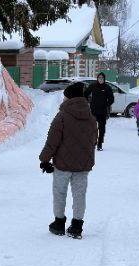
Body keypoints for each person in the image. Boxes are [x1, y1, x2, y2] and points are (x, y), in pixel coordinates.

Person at [39, 82, 97, 239]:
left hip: (62, 165)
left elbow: (52, 141)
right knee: (80, 195)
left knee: (59, 193)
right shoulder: (91, 118)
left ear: (69, 97)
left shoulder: (62, 116)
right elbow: (94, 141)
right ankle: (77, 226)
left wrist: (44, 159)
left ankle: (59, 224)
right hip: (83, 165)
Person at [83, 73, 115, 151]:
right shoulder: (93, 86)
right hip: (93, 111)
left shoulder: (107, 87)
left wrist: (106, 105)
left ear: (104, 79)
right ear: (97, 78)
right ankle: (92, 142)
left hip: (102, 112)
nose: (100, 79)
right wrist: (87, 102)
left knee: (102, 129)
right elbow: (85, 94)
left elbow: (111, 99)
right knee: (92, 128)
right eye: (99, 77)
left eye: (102, 78)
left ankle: (99, 144)